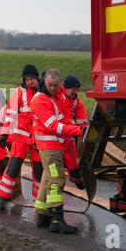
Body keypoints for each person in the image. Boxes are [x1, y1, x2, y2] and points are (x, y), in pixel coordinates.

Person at [31, 69, 86, 233]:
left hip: (57, 144)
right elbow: (53, 126)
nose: (53, 88)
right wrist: (79, 130)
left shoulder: (60, 93)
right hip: (49, 146)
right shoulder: (39, 100)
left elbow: (70, 103)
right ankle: (56, 219)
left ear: (60, 83)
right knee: (57, 179)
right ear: (44, 82)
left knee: (48, 178)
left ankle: (42, 215)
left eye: (56, 85)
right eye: (50, 85)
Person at [0, 64, 43, 210]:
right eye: (27, 79)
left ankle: (39, 202)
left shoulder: (43, 92)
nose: (29, 82)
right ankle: (1, 199)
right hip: (20, 136)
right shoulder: (18, 92)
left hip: (37, 138)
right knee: (13, 168)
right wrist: (4, 134)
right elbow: (10, 115)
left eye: (32, 79)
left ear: (37, 78)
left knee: (39, 170)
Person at [60, 75, 89, 190]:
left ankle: (77, 180)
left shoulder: (76, 101)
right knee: (52, 170)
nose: (76, 92)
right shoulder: (57, 98)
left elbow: (82, 121)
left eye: (77, 89)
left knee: (74, 168)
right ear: (66, 88)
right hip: (53, 140)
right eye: (74, 89)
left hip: (69, 139)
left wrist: (86, 131)